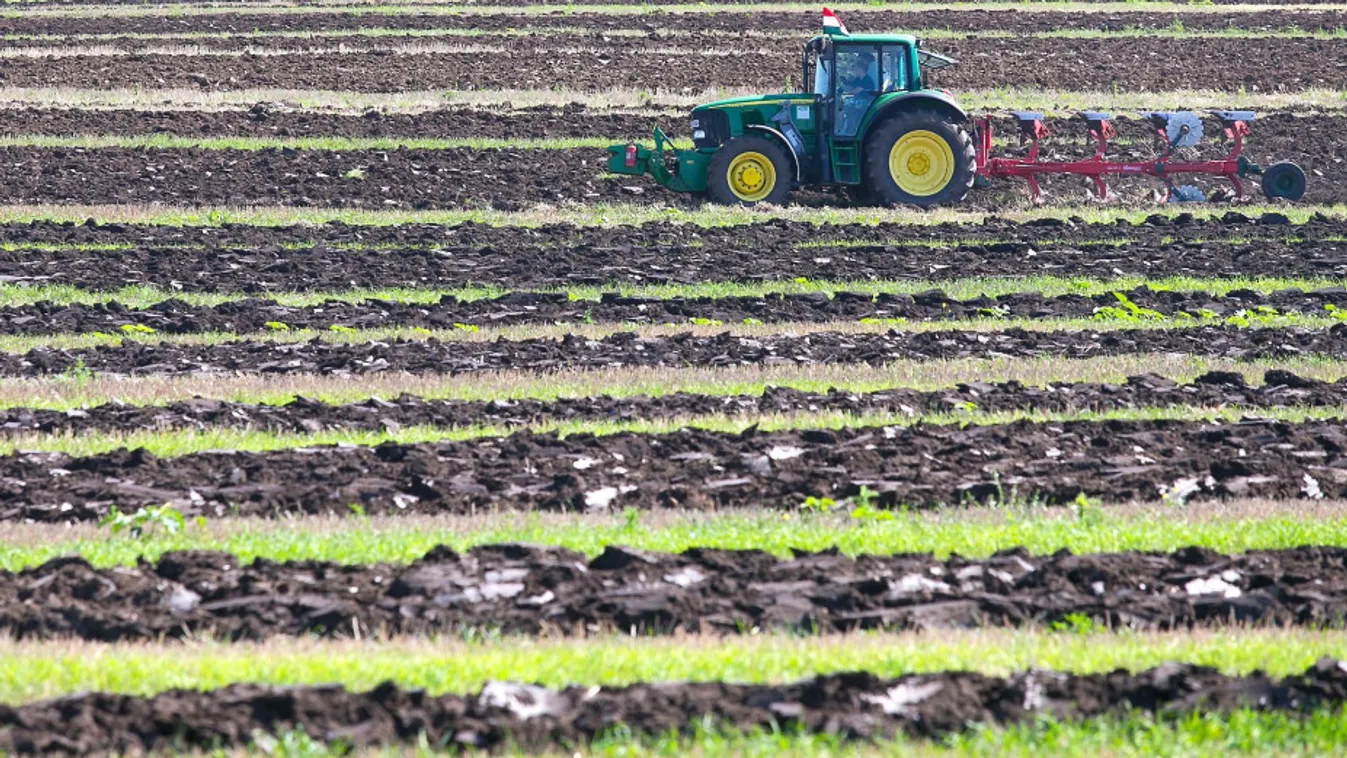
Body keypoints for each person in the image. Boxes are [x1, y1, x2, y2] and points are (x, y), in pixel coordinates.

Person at [836, 52, 876, 136]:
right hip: (858, 100)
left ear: (860, 69)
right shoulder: (858, 79)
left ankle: (840, 129)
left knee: (842, 106)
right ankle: (848, 127)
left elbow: (855, 91)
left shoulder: (867, 80)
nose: (854, 71)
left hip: (866, 102)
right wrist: (844, 84)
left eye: (856, 69)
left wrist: (844, 89)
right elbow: (851, 86)